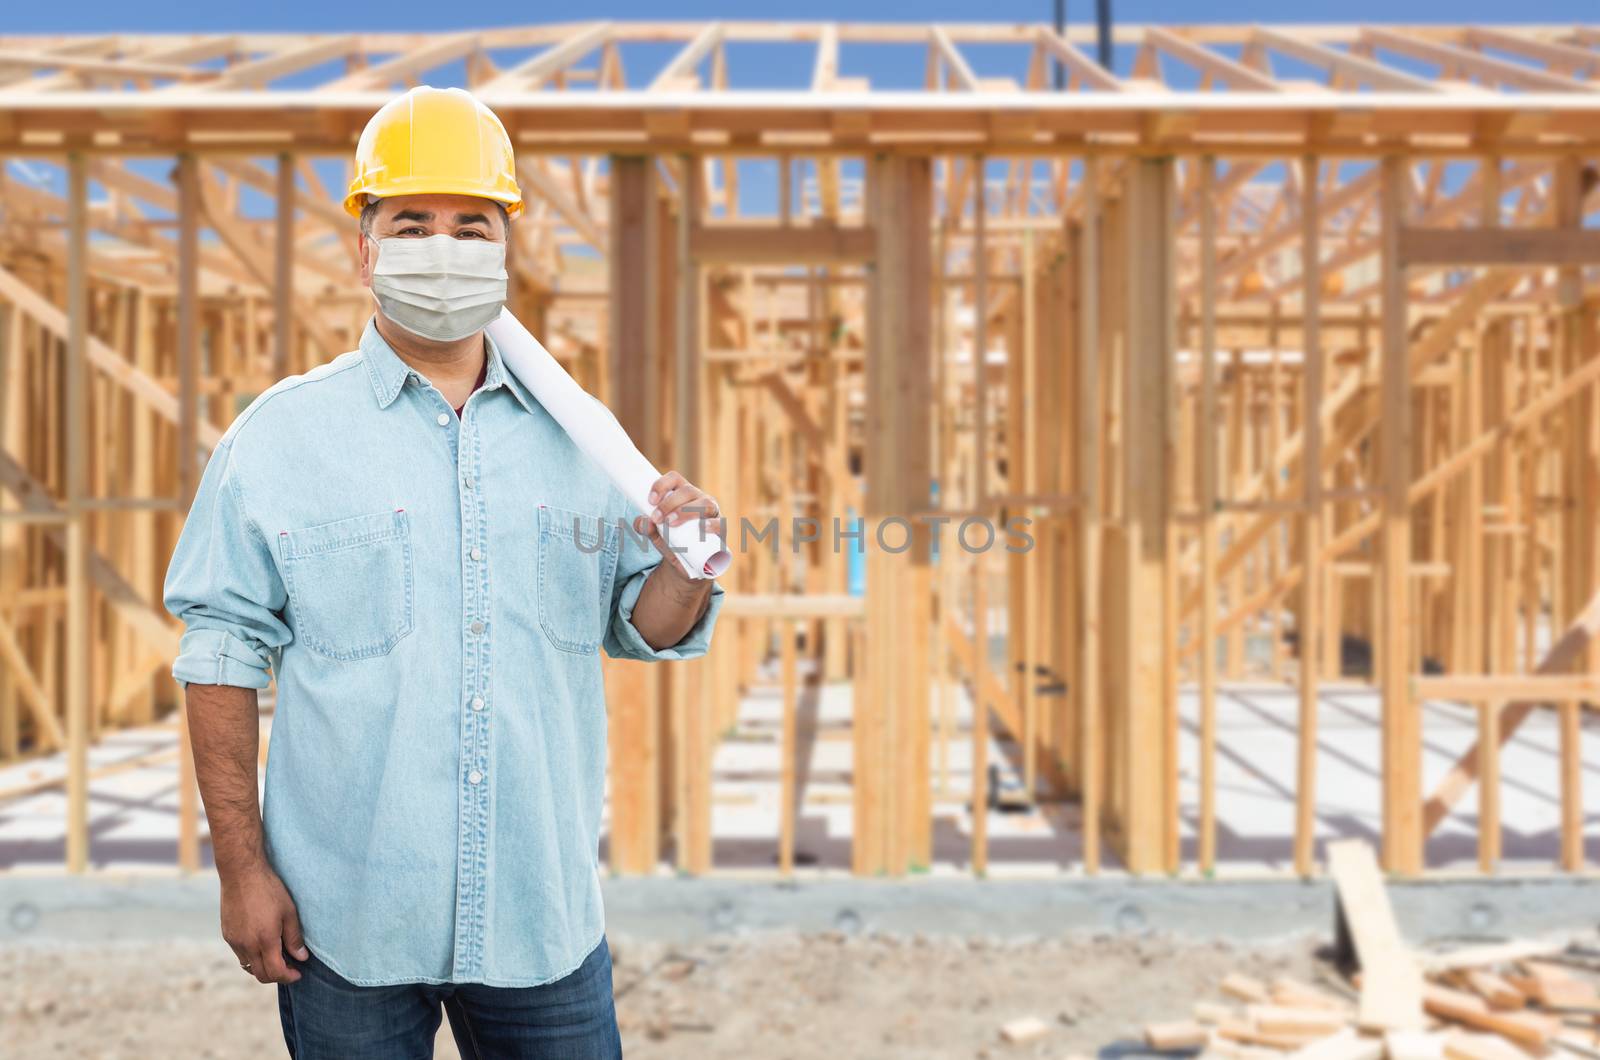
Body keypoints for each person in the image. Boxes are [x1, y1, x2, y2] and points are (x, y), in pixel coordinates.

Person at [161, 84, 725, 1059]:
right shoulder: (281, 441)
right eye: (411, 221)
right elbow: (220, 653)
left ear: (503, 248)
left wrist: (689, 563)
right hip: (348, 925)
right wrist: (240, 869)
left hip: (539, 918)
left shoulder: (580, 440)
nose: (442, 245)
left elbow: (646, 621)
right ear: (364, 247)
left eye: (471, 224)